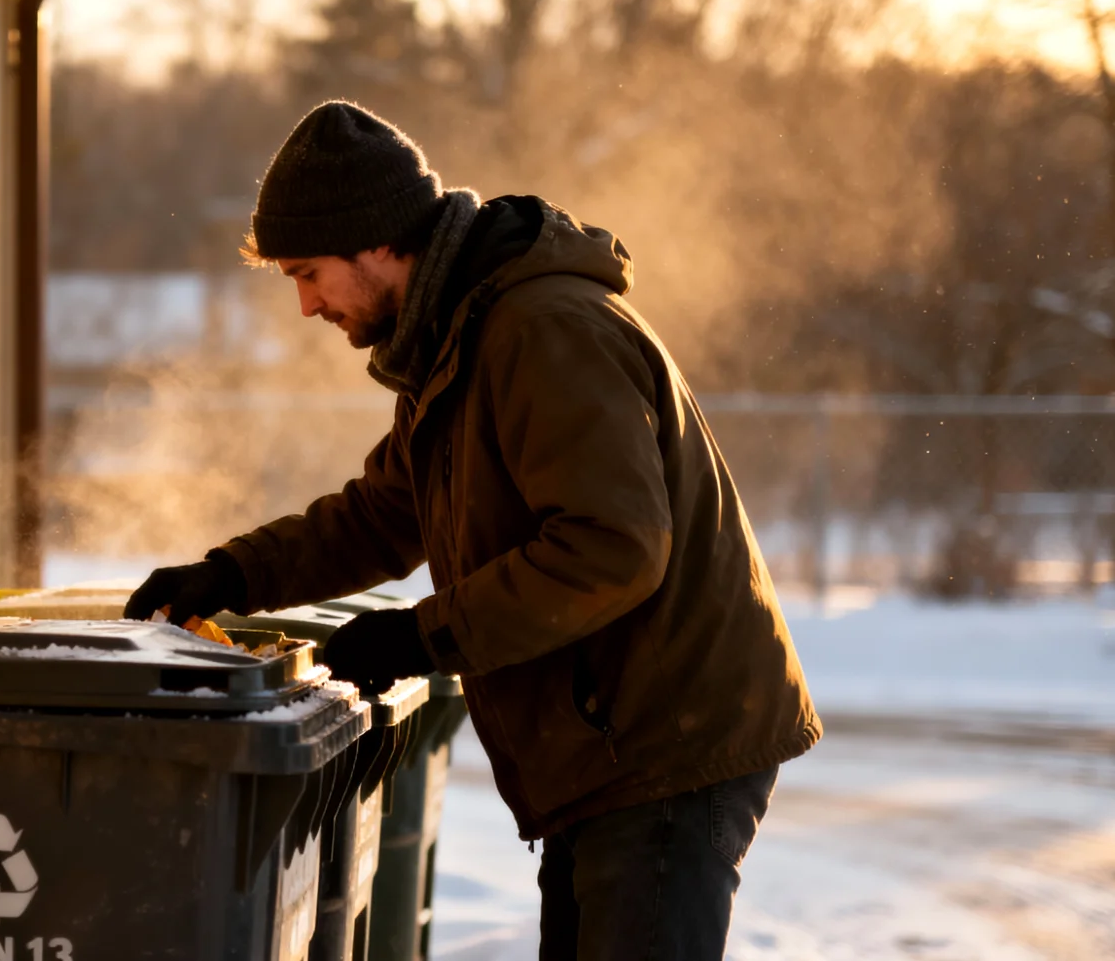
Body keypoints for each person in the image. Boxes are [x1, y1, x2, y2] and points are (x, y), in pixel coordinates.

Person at [123, 101, 820, 961]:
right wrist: (230, 574)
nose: (305, 306)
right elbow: (384, 513)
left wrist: (425, 635)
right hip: (611, 748)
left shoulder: (542, 331)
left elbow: (613, 548)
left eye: (308, 273)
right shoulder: (460, 338)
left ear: (377, 241)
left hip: (661, 743)